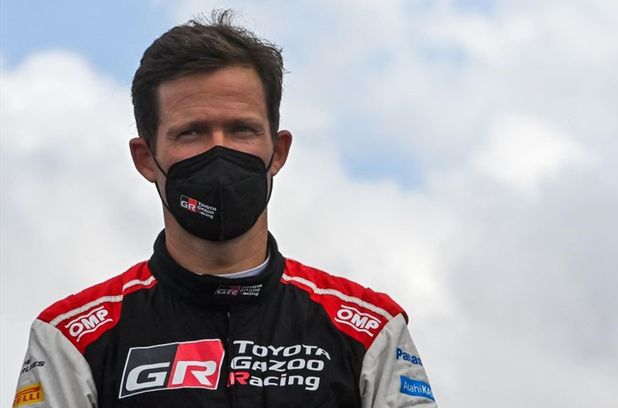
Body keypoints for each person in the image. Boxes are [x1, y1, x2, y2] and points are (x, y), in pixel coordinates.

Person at [12, 10, 436, 408]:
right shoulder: (71, 339)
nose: (219, 151)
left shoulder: (370, 330)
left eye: (241, 130)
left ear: (278, 151)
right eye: (191, 132)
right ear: (145, 159)